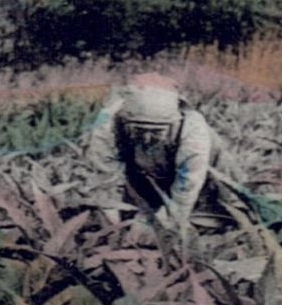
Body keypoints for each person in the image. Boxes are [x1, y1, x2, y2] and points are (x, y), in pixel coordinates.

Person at [88, 73, 236, 234]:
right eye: (138, 130)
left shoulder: (193, 131)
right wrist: (112, 228)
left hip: (203, 182)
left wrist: (161, 228)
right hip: (145, 176)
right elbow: (105, 180)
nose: (147, 138)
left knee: (214, 222)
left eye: (156, 132)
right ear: (124, 120)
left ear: (174, 124)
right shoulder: (107, 125)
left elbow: (186, 188)